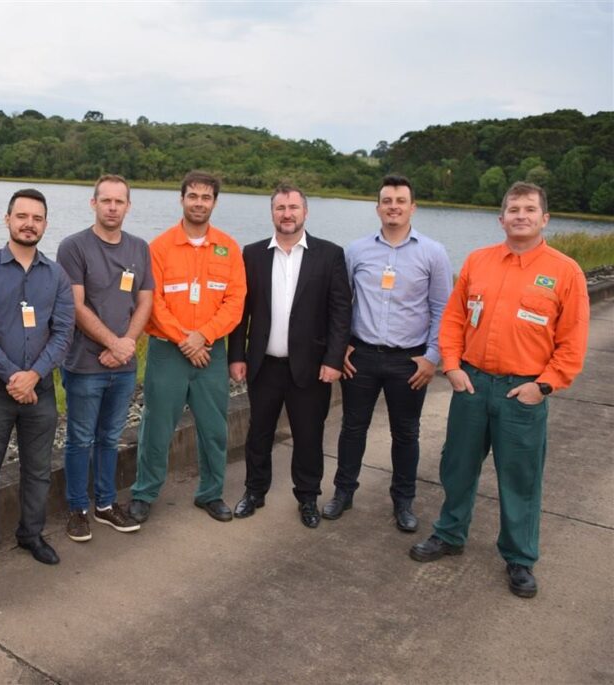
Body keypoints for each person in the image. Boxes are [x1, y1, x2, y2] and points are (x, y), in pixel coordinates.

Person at [409, 182, 589, 599]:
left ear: (545, 218)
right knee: (457, 466)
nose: (520, 215)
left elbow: (572, 341)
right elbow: (453, 319)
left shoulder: (565, 272)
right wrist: (451, 366)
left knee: (520, 478)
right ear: (501, 218)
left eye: (529, 209)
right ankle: (449, 534)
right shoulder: (479, 261)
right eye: (513, 209)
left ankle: (520, 557)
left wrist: (543, 386)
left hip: (521, 393)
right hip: (472, 385)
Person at [323, 175, 452, 531]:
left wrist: (432, 357)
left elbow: (443, 308)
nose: (393, 206)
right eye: (387, 200)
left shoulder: (433, 253)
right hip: (361, 357)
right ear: (377, 207)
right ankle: (343, 493)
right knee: (352, 428)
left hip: (409, 361)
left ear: (413, 207)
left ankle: (403, 502)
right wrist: (342, 347)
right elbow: (341, 304)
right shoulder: (356, 251)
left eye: (400, 200)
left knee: (406, 433)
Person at [228, 183, 351, 528]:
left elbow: (340, 313)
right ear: (272, 213)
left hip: (311, 368)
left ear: (305, 212)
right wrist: (236, 355)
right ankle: (254, 492)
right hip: (264, 365)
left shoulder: (329, 255)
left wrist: (333, 359)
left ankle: (308, 498)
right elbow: (241, 313)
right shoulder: (252, 254)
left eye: (293, 207)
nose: (287, 214)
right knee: (258, 433)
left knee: (309, 435)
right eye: (280, 208)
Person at [126, 171, 246, 524]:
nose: (198, 203)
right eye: (192, 196)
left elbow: (235, 301)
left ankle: (210, 493)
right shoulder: (159, 248)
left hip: (211, 352)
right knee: (156, 426)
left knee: (214, 427)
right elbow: (153, 301)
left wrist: (203, 336)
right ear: (181, 199)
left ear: (215, 203)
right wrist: (183, 339)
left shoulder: (228, 247)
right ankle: (144, 492)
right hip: (168, 352)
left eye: (206, 197)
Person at [0, 189, 74, 572]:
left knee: (38, 469)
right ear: (7, 219)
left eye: (37, 218)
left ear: (45, 223)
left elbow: (63, 332)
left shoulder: (57, 274)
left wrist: (33, 376)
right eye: (22, 216)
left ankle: (31, 534)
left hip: (41, 391)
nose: (29, 224)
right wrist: (13, 376)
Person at [56, 174, 153, 542]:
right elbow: (75, 305)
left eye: (120, 201)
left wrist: (126, 343)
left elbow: (145, 300)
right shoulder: (74, 247)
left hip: (124, 366)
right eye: (106, 200)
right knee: (80, 437)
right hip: (84, 365)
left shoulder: (139, 248)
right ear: (93, 203)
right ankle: (78, 509)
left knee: (110, 437)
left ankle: (106, 505)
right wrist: (113, 343)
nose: (113, 207)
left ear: (128, 206)